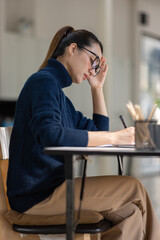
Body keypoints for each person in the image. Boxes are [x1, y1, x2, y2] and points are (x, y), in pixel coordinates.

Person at [7, 26, 160, 240]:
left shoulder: (60, 98)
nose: (94, 69)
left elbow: (98, 134)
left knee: (131, 214)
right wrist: (115, 137)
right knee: (133, 187)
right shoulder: (43, 82)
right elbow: (52, 135)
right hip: (38, 197)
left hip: (53, 190)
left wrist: (97, 89)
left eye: (97, 65)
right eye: (93, 60)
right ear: (72, 49)